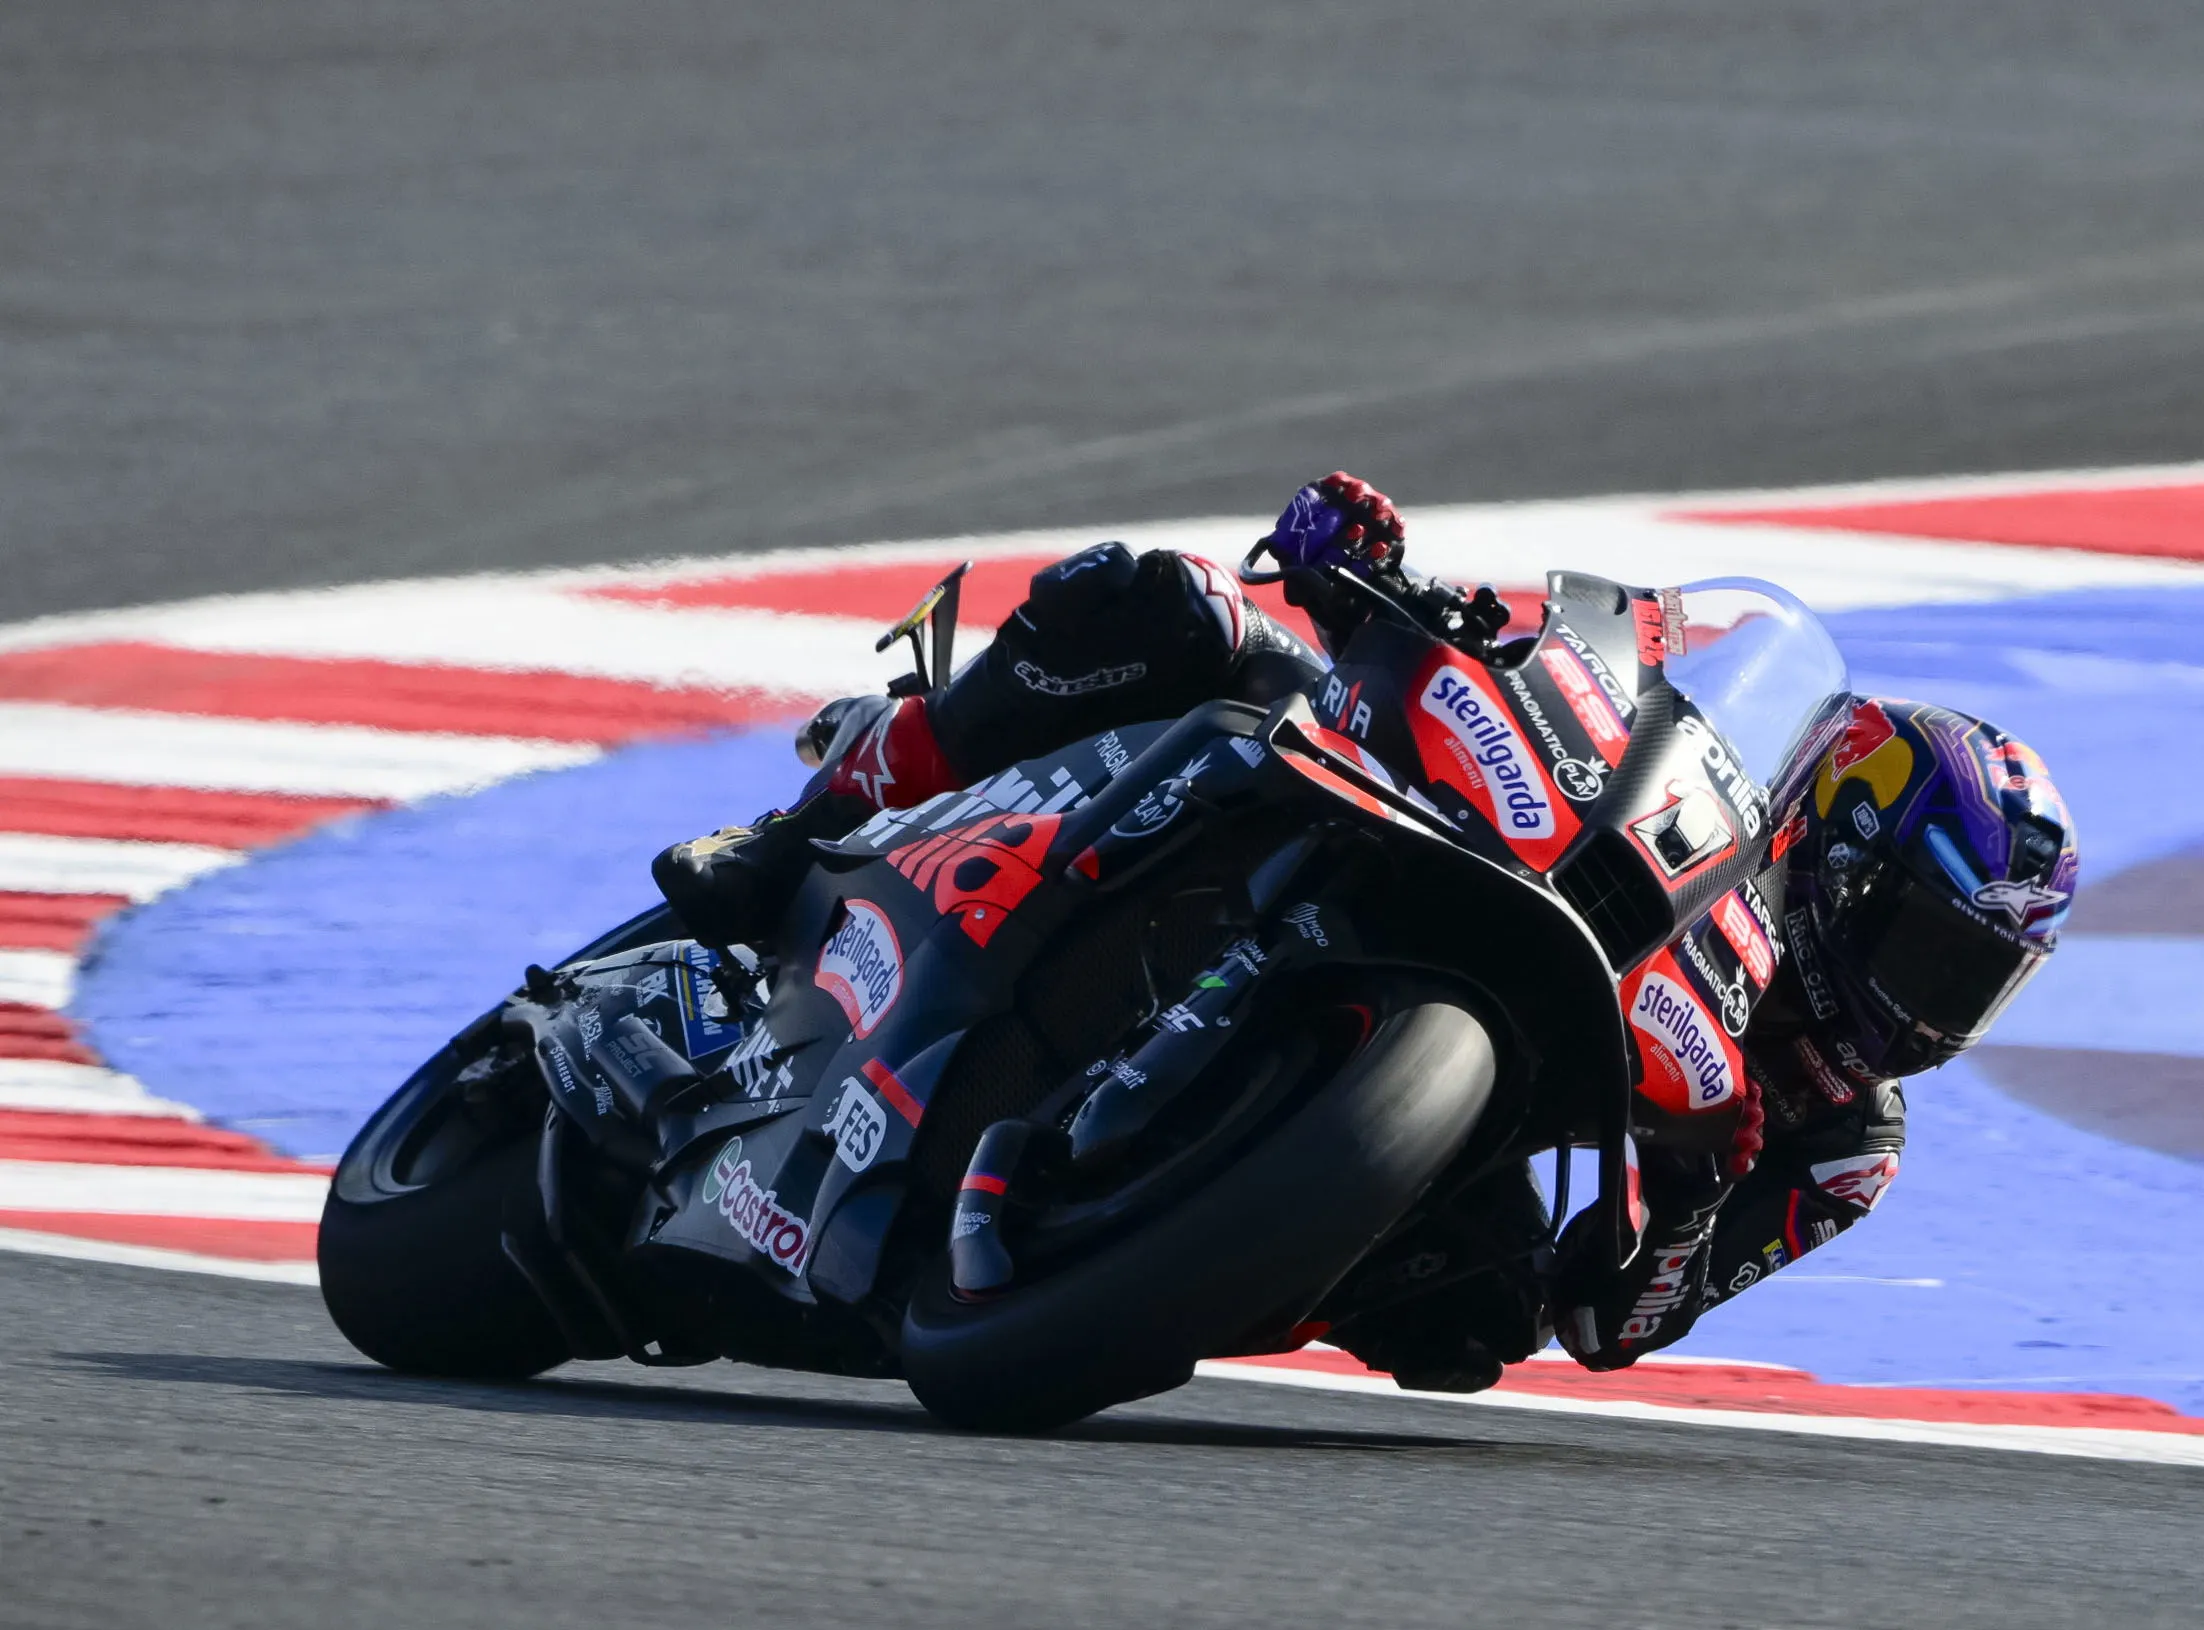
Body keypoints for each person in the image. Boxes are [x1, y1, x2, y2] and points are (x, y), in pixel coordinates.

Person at [654, 474, 2077, 1391]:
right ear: (1835, 847)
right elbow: (1553, 670)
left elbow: (1615, 1325)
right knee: (1174, 611)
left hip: (1475, 1149)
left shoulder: (1844, 1145)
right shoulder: (1705, 804)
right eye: (1926, 951)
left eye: (1973, 985)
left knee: (1472, 1332)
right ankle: (804, 825)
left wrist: (1693, 1191)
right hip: (1460, 860)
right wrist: (1379, 573)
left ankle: (1161, 1220)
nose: (1924, 1010)